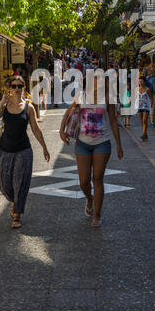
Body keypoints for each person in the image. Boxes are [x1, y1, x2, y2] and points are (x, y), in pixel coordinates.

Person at [59, 74, 124, 227]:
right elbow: (68, 113)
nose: (98, 81)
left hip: (102, 143)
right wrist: (62, 131)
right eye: (96, 78)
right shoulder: (81, 96)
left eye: (101, 79)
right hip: (82, 143)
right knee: (83, 181)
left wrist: (119, 145)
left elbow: (114, 122)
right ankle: (89, 198)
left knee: (98, 178)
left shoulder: (108, 98)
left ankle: (97, 214)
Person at [0, 75, 50, 229]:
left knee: (21, 183)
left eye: (19, 86)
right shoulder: (5, 106)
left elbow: (35, 128)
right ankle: (14, 202)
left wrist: (44, 147)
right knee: (5, 186)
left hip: (23, 150)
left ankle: (17, 215)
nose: (17, 89)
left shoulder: (29, 108)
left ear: (23, 88)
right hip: (5, 150)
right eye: (14, 86)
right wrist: (2, 102)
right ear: (9, 88)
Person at [136, 75, 153, 141]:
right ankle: (145, 134)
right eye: (139, 81)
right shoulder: (137, 89)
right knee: (141, 121)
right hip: (139, 106)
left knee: (144, 120)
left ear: (144, 82)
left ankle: (144, 134)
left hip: (146, 106)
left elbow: (152, 97)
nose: (141, 82)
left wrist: (151, 105)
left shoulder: (147, 89)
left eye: (142, 81)